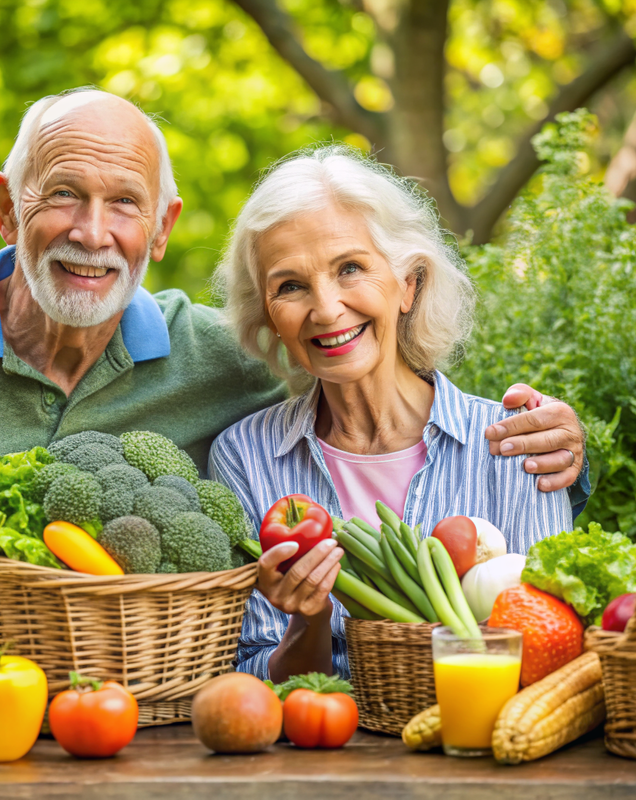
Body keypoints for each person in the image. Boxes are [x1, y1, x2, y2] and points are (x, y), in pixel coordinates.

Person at [0, 89, 586, 661]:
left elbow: (370, 377)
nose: (92, 231)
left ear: (161, 230)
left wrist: (561, 451)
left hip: (143, 725)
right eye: (63, 195)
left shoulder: (227, 360)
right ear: (8, 207)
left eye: (124, 203)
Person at [210, 144, 578, 683]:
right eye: (291, 286)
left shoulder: (514, 442)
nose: (326, 308)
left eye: (350, 268)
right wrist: (306, 622)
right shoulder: (245, 457)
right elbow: (257, 677)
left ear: (408, 284)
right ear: (268, 315)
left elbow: (553, 647)